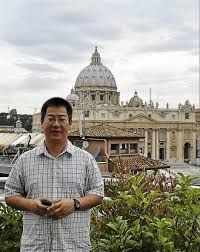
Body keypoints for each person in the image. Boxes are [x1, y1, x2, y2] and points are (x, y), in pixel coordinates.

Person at [4, 97, 104, 251]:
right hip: (35, 247)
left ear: (70, 123)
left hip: (74, 247)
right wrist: (31, 204)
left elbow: (97, 194)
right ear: (42, 122)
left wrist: (74, 204)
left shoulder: (86, 160)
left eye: (61, 119)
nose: (56, 124)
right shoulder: (24, 160)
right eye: (50, 118)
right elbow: (10, 195)